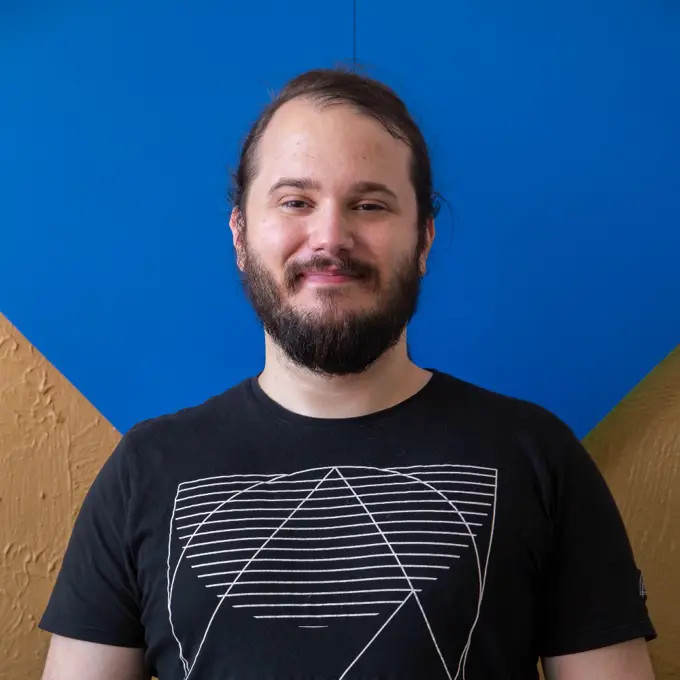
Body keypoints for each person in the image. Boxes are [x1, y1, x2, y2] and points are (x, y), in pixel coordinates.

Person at [39, 67, 657, 680]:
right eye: (296, 202)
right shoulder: (145, 469)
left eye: (369, 204)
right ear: (240, 234)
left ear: (424, 239)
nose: (330, 237)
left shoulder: (538, 458)